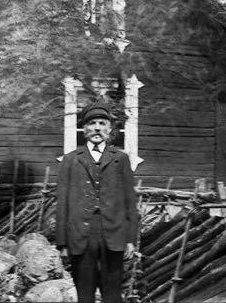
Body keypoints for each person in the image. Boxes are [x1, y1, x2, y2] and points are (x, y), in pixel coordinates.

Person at [56, 101, 138, 303]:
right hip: (82, 235)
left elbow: (130, 201)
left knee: (112, 294)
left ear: (109, 129)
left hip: (114, 233)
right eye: (92, 123)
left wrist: (130, 239)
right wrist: (62, 242)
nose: (97, 128)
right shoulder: (71, 160)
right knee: (84, 294)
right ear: (84, 129)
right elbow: (63, 203)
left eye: (102, 123)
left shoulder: (121, 158)